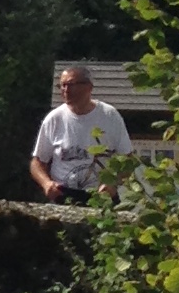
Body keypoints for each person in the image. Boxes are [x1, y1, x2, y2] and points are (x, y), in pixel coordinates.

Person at [30, 65, 133, 203]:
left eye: (71, 85)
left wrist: (113, 184)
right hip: (63, 194)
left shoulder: (109, 116)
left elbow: (129, 160)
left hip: (102, 195)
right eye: (62, 85)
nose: (66, 90)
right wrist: (46, 184)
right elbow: (37, 163)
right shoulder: (54, 119)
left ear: (89, 87)